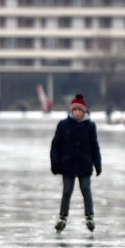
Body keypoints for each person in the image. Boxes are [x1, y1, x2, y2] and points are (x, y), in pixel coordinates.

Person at [50, 94, 102, 232]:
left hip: (84, 164)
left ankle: (90, 217)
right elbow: (55, 144)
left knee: (86, 189)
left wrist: (97, 164)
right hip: (67, 164)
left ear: (84, 112)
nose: (77, 112)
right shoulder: (63, 125)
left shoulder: (90, 126)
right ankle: (62, 217)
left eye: (80, 110)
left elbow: (94, 146)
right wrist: (54, 163)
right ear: (72, 111)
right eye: (75, 110)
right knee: (67, 190)